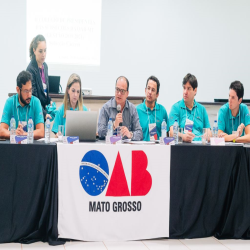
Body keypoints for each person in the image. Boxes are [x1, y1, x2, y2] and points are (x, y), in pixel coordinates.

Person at [0, 71, 44, 139]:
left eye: (30, 90)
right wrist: (14, 133)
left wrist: (24, 134)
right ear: (18, 89)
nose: (29, 94)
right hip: (14, 147)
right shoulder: (10, 102)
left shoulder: (36, 102)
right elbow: (1, 131)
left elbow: (41, 132)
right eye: (26, 91)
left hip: (32, 147)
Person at [169, 73, 211, 142]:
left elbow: (209, 132)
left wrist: (207, 135)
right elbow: (171, 133)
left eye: (189, 89)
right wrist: (183, 137)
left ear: (195, 90)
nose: (185, 92)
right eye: (184, 88)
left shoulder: (202, 109)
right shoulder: (176, 108)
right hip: (183, 146)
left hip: (200, 147)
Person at [98, 76, 143, 140]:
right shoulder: (106, 108)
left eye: (122, 91)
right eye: (117, 89)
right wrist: (113, 126)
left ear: (127, 93)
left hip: (127, 148)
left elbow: (140, 133)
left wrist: (130, 134)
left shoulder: (132, 109)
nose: (119, 93)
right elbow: (100, 132)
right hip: (110, 147)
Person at [27, 34, 51, 120]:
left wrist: (50, 101)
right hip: (34, 113)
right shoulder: (30, 70)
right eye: (40, 51)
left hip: (43, 111)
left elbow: (45, 91)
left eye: (45, 50)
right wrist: (44, 114)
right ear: (34, 50)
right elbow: (34, 97)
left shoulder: (45, 66)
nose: (43, 54)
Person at [136, 76, 169, 141]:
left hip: (158, 149)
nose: (150, 92)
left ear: (157, 94)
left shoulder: (162, 111)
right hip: (142, 149)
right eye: (148, 88)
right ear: (145, 90)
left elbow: (167, 135)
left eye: (153, 90)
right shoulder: (137, 110)